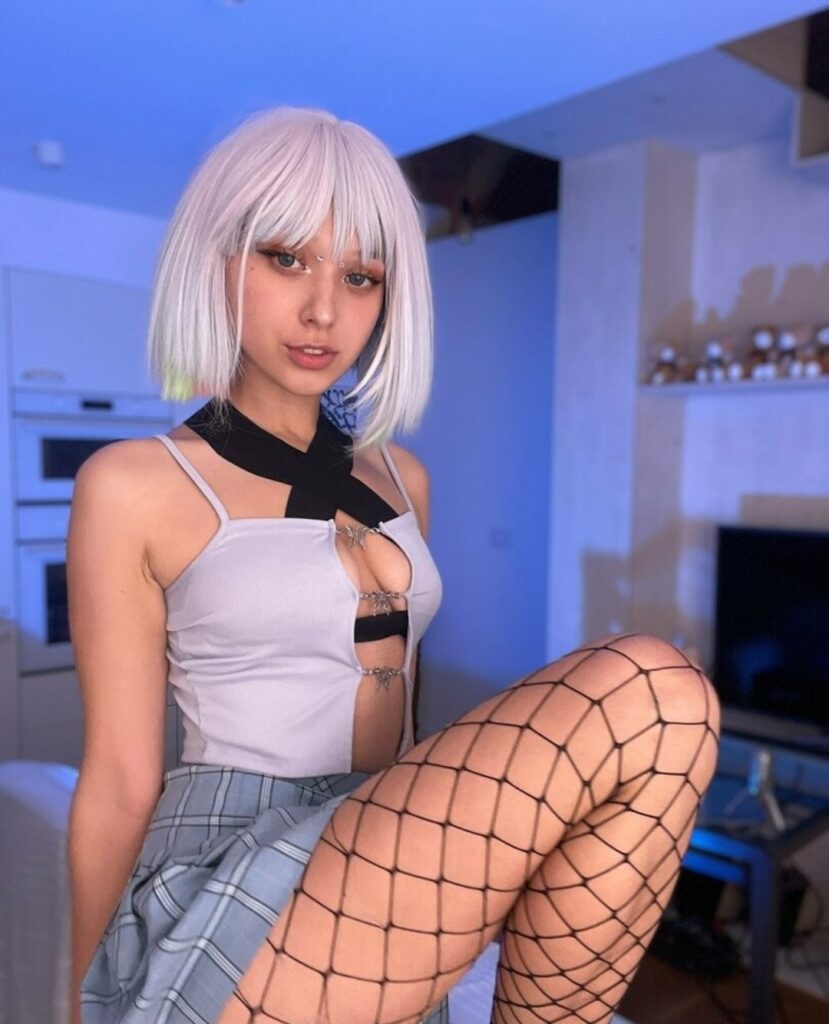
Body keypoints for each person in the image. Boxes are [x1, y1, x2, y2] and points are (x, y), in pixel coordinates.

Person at [67, 107, 720, 1024]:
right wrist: (79, 999)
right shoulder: (133, 484)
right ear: (217, 260)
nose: (324, 310)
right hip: (228, 863)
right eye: (285, 259)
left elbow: (405, 714)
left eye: (360, 275)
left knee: (673, 703)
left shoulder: (401, 477)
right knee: (647, 682)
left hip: (379, 843)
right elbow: (119, 778)